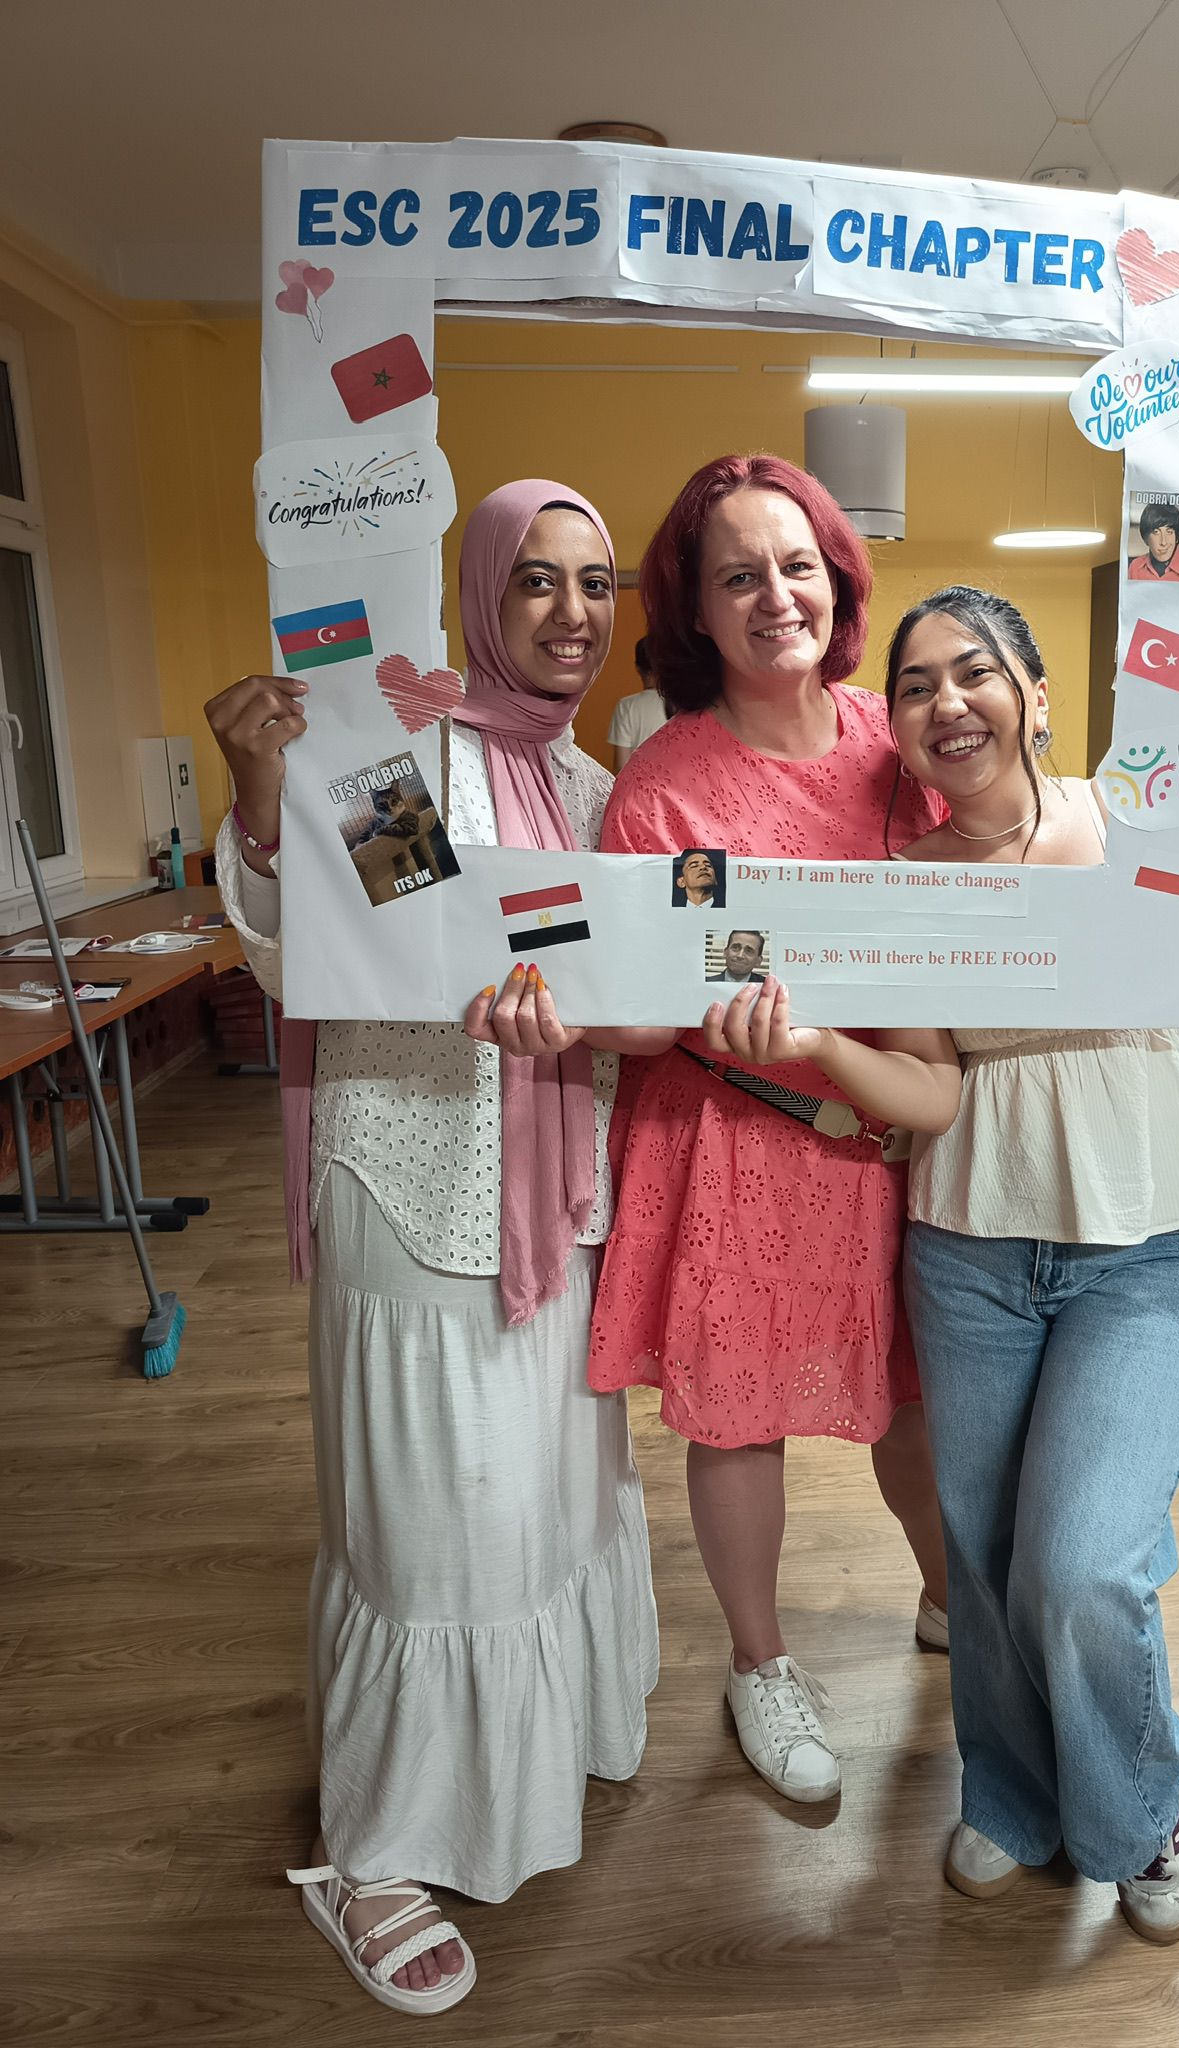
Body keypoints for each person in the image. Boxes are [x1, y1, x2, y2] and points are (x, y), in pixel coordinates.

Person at [707, 434, 1179, 1941]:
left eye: (975, 672)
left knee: (1084, 1561)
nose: (947, 701)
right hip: (971, 1241)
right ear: (895, 727)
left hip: (1148, 1231)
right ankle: (1009, 1795)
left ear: (1035, 694)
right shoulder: (903, 888)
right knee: (988, 1546)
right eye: (916, 685)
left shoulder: (1142, 806)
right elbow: (937, 1091)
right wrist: (816, 1047)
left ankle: (1141, 1812)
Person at [205, 481, 659, 2017]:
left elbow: (619, 982)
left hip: (554, 1202)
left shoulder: (595, 789)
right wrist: (262, 796)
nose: (572, 614)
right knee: (432, 1521)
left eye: (595, 584)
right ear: (477, 593)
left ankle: (539, 1746)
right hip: (413, 1181)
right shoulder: (401, 752)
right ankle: (381, 1847)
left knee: (543, 1497)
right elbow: (316, 951)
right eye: (536, 580)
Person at [483, 454, 951, 1807]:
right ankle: (760, 1663)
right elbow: (638, 1005)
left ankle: (951, 1598)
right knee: (738, 1412)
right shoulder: (664, 783)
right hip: (732, 1135)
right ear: (696, 605)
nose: (775, 596)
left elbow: (973, 905)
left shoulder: (899, 746)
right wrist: (580, 1015)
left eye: (797, 565)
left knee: (920, 1395)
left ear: (839, 581)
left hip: (892, 1124)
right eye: (738, 575)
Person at [609, 635, 668, 771]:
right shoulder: (681, 705)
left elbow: (621, 767)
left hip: (638, 783)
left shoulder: (626, 706)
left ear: (638, 668)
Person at [1128, 499, 1179, 582]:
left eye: (1169, 532)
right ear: (1146, 538)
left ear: (1176, 537)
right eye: (1156, 532)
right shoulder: (1135, 568)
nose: (1163, 542)